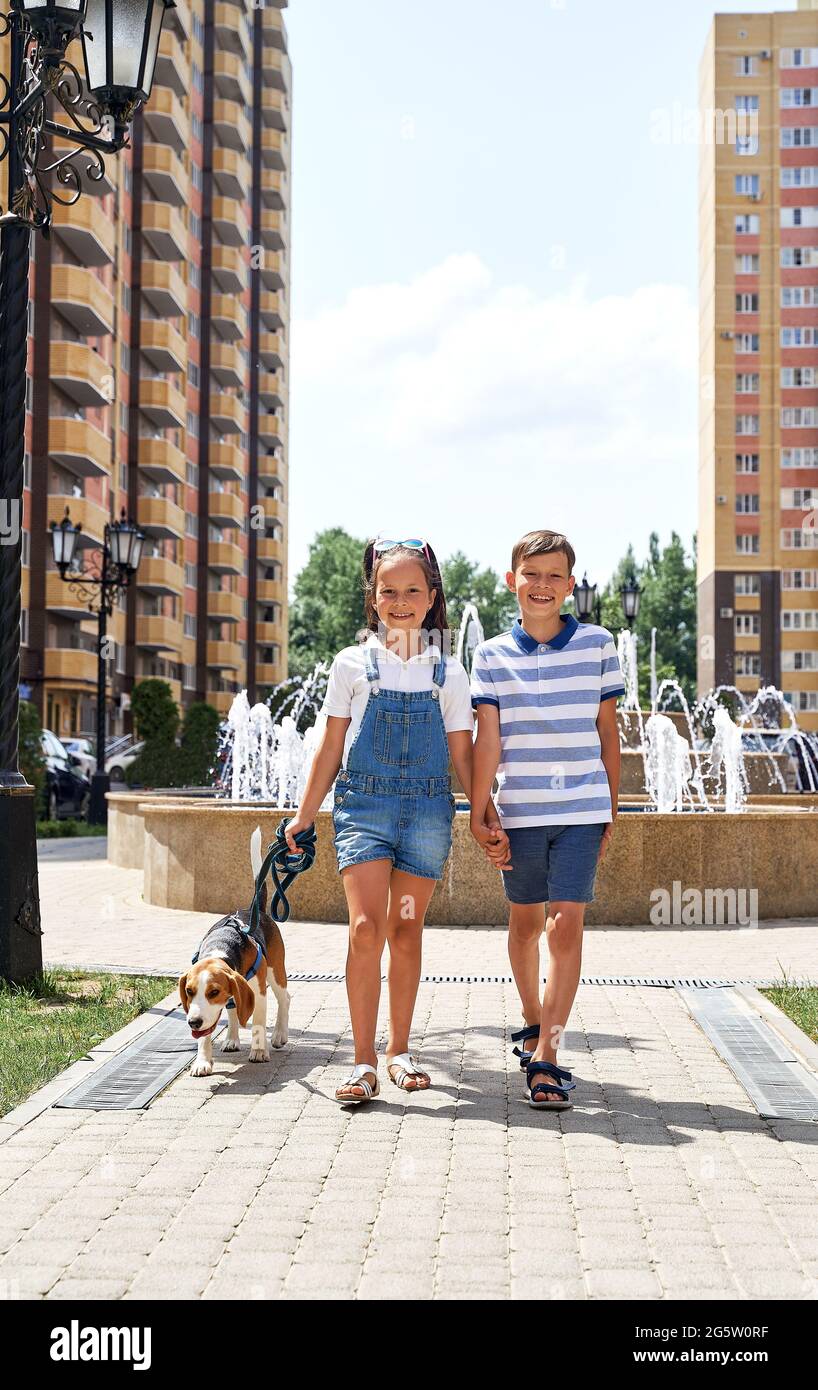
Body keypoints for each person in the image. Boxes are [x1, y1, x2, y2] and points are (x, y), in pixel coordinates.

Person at [285, 537, 507, 1104]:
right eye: (390, 590)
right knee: (365, 929)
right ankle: (362, 1061)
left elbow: (464, 754)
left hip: (428, 812)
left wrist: (483, 812)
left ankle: (398, 1051)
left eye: (413, 590)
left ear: (432, 598)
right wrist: (304, 815)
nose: (401, 600)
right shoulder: (351, 665)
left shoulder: (449, 673)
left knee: (406, 928)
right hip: (365, 808)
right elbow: (330, 748)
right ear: (373, 597)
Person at [469, 530, 624, 1109]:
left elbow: (608, 733)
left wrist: (613, 805)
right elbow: (489, 740)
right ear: (512, 581)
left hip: (582, 808)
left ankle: (548, 1057)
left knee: (566, 926)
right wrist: (479, 808)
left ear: (570, 585)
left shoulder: (598, 644)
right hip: (521, 810)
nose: (542, 585)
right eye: (531, 574)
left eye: (555, 576)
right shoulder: (489, 655)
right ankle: (533, 1020)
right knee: (525, 925)